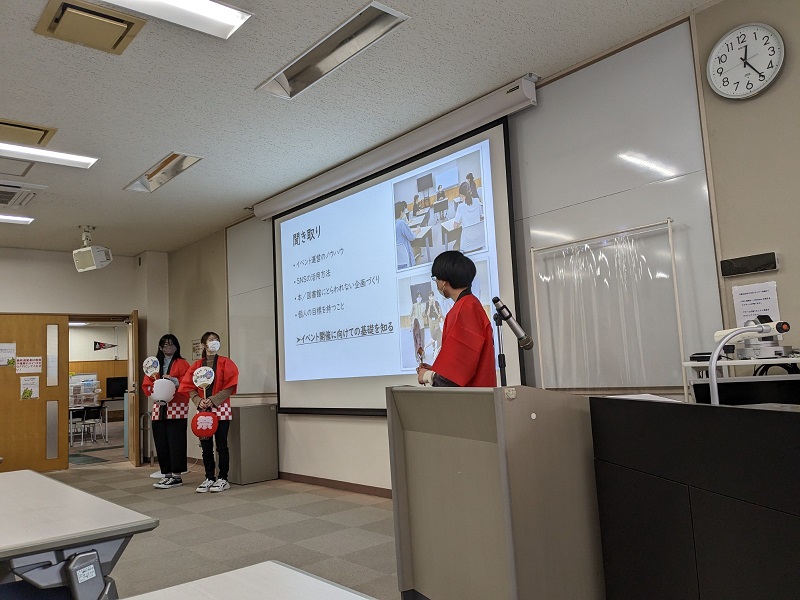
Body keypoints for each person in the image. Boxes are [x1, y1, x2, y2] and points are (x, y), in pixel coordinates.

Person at [417, 251, 495, 387]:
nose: (436, 283)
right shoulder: (469, 305)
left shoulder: (464, 310)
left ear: (444, 282)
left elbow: (453, 378)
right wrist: (436, 371)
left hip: (469, 401)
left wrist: (427, 376)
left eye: (435, 279)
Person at [180, 331, 239, 493]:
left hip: (222, 409)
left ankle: (223, 478)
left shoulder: (226, 363)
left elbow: (230, 386)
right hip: (203, 412)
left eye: (217, 340)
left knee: (222, 445)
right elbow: (188, 386)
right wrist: (199, 401)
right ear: (204, 345)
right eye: (211, 340)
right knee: (206, 446)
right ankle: (208, 477)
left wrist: (213, 400)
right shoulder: (197, 365)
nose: (214, 342)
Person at [143, 334, 190, 489]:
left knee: (176, 440)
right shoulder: (154, 364)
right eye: (164, 345)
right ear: (160, 347)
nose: (167, 348)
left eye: (171, 345)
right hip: (159, 407)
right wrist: (155, 388)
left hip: (177, 407)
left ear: (176, 347)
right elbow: (146, 384)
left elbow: (188, 382)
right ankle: (167, 473)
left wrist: (175, 381)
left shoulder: (182, 363)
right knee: (161, 440)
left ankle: (177, 475)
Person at [395, 201, 416, 268]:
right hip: (406, 256)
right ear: (401, 212)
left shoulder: (391, 224)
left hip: (398, 259)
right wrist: (417, 232)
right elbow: (411, 237)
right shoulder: (401, 223)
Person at [424, 290, 443, 357]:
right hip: (430, 321)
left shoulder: (437, 303)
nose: (431, 297)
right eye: (430, 296)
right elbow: (427, 314)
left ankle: (438, 349)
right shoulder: (427, 304)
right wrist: (429, 306)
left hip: (436, 320)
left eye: (432, 296)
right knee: (432, 335)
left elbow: (439, 314)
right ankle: (433, 349)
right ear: (428, 297)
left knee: (437, 334)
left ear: (434, 296)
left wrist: (434, 306)